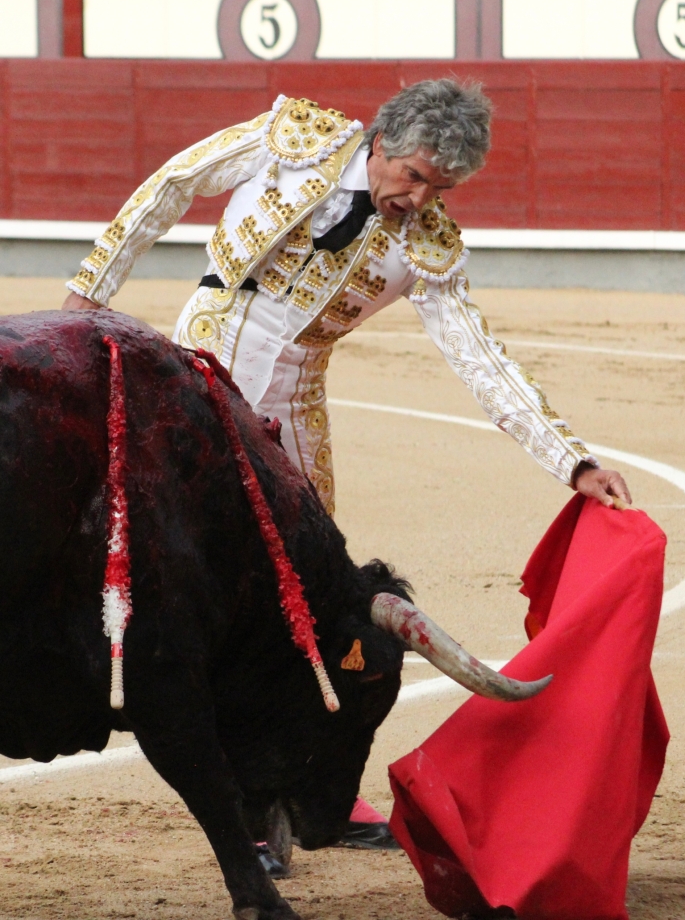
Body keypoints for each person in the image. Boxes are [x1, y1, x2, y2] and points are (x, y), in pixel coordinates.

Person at [62, 78, 631, 863]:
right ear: (386, 141)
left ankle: (290, 783)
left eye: (442, 187)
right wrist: (89, 290)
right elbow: (174, 182)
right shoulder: (294, 139)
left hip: (293, 402)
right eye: (415, 175)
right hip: (196, 362)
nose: (420, 199)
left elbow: (480, 359)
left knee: (313, 593)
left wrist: (574, 460)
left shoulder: (429, 246)